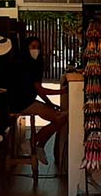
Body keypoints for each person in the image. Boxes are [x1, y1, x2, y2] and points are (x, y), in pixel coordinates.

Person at [8, 36, 67, 165]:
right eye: (33, 47)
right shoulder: (24, 63)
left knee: (60, 117)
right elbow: (40, 90)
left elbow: (38, 90)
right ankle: (33, 143)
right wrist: (62, 92)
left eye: (38, 47)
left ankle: (37, 145)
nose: (37, 50)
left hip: (27, 101)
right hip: (22, 102)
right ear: (26, 48)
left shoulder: (30, 62)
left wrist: (50, 104)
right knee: (60, 118)